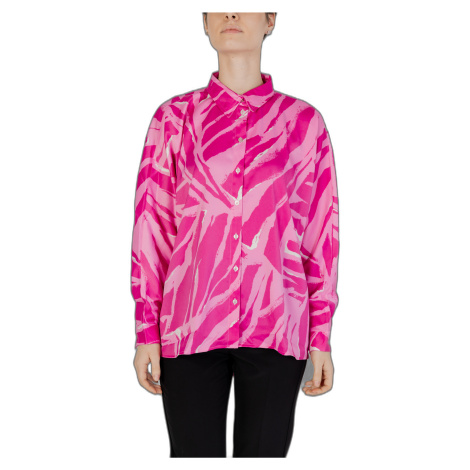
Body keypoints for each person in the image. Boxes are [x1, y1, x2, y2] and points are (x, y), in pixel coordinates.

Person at [131, 12, 340, 458]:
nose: (231, 12)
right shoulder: (173, 120)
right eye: (218, 5)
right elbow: (153, 229)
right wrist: (146, 330)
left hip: (277, 326)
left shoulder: (304, 124)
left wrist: (320, 335)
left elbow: (320, 236)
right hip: (189, 326)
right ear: (204, 22)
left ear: (270, 19)